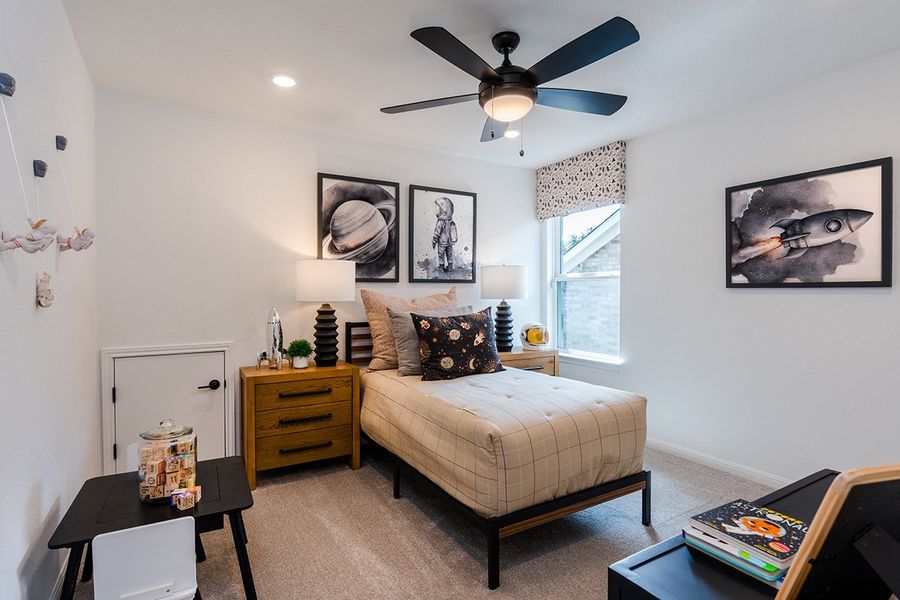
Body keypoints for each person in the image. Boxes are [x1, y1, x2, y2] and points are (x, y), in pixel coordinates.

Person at [431, 197, 457, 272]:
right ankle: (450, 266)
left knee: (441, 255)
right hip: (450, 242)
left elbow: (437, 232)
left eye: (438, 208)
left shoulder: (440, 222)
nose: (436, 210)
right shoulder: (450, 221)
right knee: (449, 254)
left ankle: (441, 267)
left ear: (444, 210)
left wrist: (434, 241)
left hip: (442, 242)